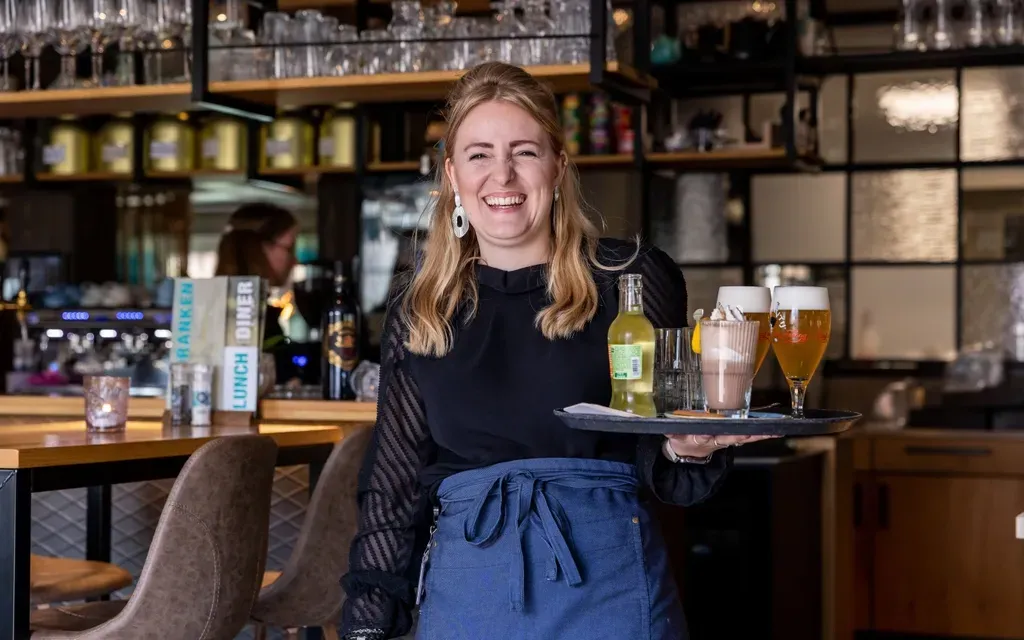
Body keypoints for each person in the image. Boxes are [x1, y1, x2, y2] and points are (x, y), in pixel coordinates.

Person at [339, 62, 767, 640]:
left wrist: (686, 448)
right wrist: (367, 626)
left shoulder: (630, 278)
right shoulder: (420, 309)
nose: (503, 175)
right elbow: (394, 484)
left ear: (559, 164)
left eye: (525, 152)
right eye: (480, 154)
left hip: (608, 582)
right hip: (465, 589)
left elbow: (663, 451)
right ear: (451, 174)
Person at [214, 202, 299, 343]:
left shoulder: (210, 310)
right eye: (289, 249)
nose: (295, 261)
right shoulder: (251, 320)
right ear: (258, 249)